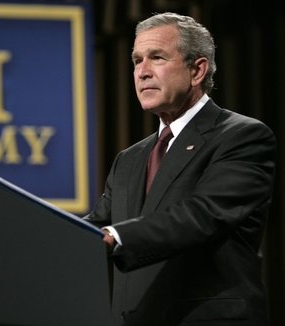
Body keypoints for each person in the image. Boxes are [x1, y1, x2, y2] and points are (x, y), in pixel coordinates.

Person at [84, 12, 276, 325]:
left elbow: (202, 214)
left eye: (156, 57)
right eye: (136, 60)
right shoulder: (129, 158)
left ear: (197, 69)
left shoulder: (242, 136)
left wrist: (115, 235)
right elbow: (97, 225)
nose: (142, 72)